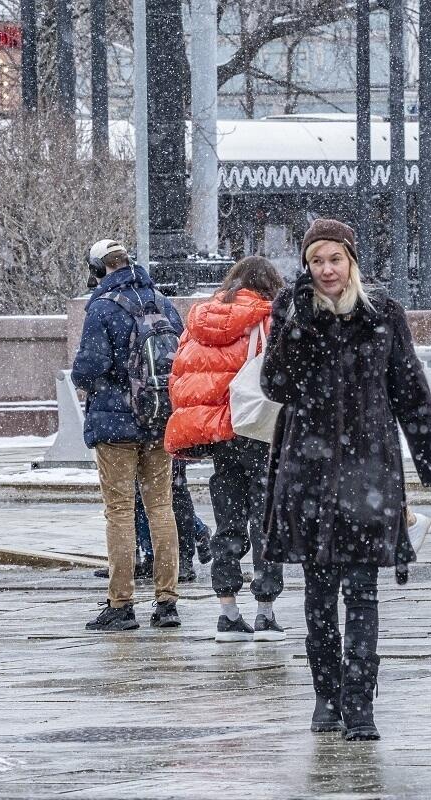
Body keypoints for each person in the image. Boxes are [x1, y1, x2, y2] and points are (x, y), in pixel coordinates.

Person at [261, 218, 431, 741]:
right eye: (316, 261)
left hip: (370, 471)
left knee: (364, 594)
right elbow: (275, 384)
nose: (326, 270)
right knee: (319, 596)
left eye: (335, 259)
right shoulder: (291, 312)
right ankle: (327, 697)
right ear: (305, 267)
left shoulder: (383, 316)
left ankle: (360, 703)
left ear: (352, 261)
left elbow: (412, 394)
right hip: (308, 473)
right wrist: (298, 321)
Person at [166, 256, 288, 642]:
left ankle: (228, 612)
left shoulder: (202, 319)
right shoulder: (268, 317)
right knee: (265, 519)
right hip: (257, 427)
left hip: (220, 434)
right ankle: (266, 612)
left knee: (228, 520)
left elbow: (183, 377)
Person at [72, 239, 184, 632]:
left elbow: (88, 369)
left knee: (119, 512)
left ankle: (121, 605)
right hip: (159, 421)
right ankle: (167, 603)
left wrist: (94, 379)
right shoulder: (162, 302)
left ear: (100, 270)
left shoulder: (102, 308)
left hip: (115, 425)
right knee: (161, 509)